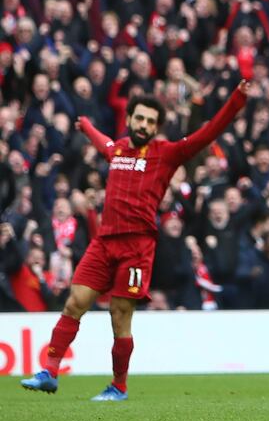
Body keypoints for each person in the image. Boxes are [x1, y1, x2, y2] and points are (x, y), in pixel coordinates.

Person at [20, 80, 249, 400]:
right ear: (129, 119)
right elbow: (104, 143)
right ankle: (49, 372)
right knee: (75, 303)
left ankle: (119, 385)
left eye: (150, 121)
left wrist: (236, 100)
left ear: (157, 126)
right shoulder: (118, 150)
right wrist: (86, 126)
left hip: (137, 246)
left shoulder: (167, 153)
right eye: (139, 118)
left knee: (119, 314)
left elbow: (207, 134)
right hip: (104, 241)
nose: (144, 125)